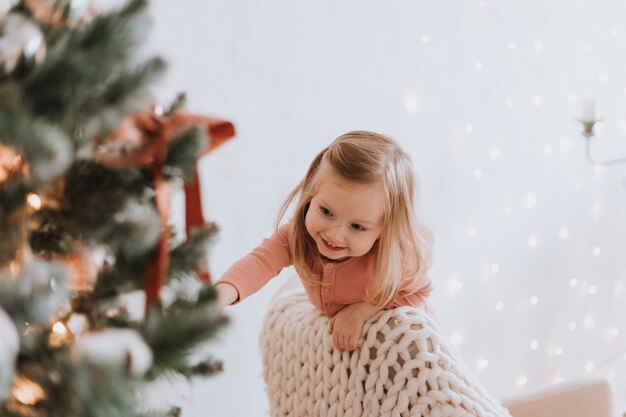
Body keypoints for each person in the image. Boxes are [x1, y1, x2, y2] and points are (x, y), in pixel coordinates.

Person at [214, 131, 433, 352]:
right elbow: (260, 262)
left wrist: (363, 310)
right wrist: (216, 299)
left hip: (408, 348)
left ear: (384, 231)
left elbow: (420, 293)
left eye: (357, 227)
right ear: (311, 195)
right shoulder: (297, 236)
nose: (335, 235)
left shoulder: (396, 259)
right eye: (326, 211)